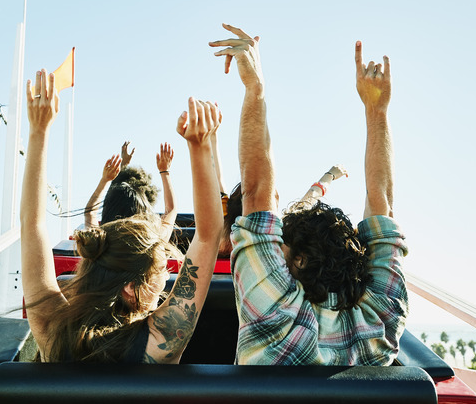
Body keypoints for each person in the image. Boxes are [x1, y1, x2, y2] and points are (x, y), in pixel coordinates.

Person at [210, 24, 408, 365]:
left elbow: (258, 194)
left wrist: (255, 88)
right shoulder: (382, 320)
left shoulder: (272, 314)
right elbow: (383, 205)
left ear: (300, 260)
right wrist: (377, 111)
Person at [20, 68, 223, 363]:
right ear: (131, 288)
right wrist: (200, 145)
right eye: (161, 272)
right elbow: (209, 236)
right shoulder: (158, 342)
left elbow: (31, 225)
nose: (167, 278)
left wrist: (39, 130)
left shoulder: (52, 328)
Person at [218, 165, 348, 260]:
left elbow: (217, 182)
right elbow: (309, 199)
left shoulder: (218, 234)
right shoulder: (280, 233)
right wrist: (330, 175)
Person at [84, 143, 178, 242]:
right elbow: (171, 209)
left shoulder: (99, 243)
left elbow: (90, 212)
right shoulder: (153, 242)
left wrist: (105, 180)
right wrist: (164, 171)